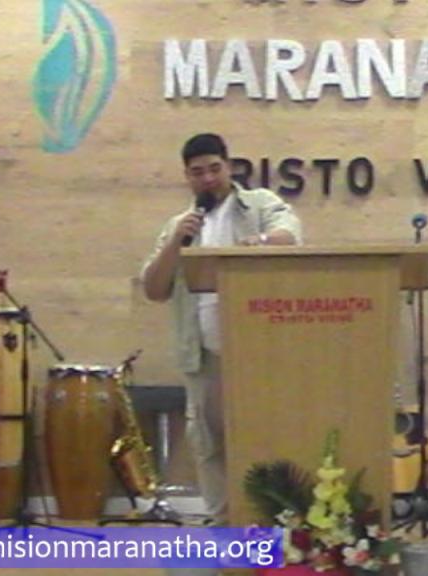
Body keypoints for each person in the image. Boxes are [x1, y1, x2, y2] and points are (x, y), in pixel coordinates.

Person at [141, 133, 302, 530]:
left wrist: (258, 242)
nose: (208, 178)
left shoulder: (258, 204)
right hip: (204, 354)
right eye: (198, 172)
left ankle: (272, 524)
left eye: (215, 169)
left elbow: (290, 236)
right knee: (209, 443)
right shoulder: (180, 225)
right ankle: (222, 524)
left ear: (229, 167)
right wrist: (176, 243)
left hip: (258, 349)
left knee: (265, 436)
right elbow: (154, 289)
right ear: (187, 177)